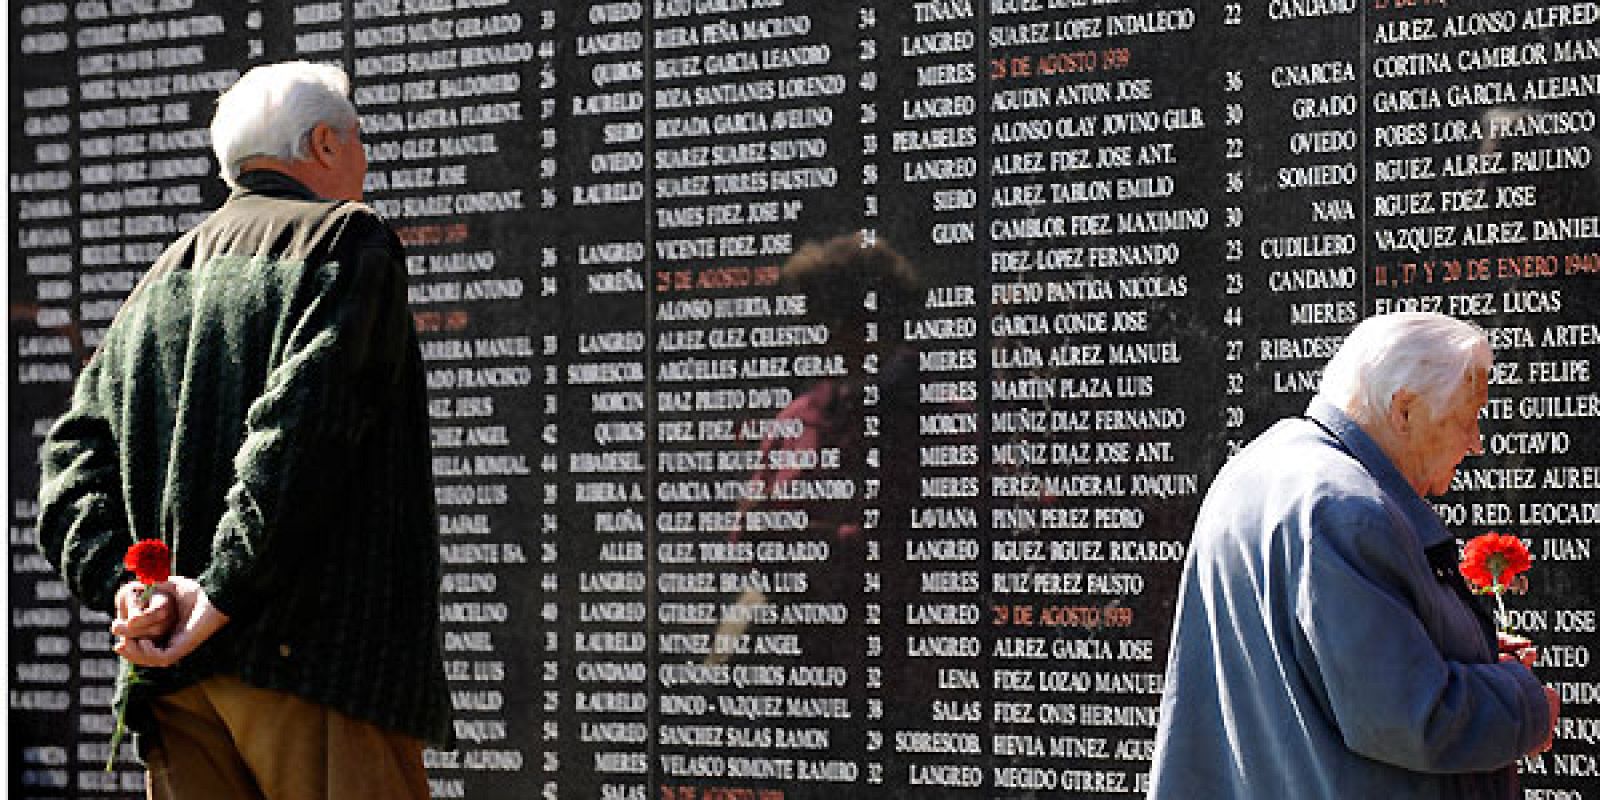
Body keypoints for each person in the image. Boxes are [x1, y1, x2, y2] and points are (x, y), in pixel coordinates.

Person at [37, 61, 449, 799]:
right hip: (315, 672)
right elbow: (300, 431)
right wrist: (220, 591)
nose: (366, 158)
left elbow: (69, 464)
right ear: (324, 143)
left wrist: (135, 595)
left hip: (176, 683)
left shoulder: (158, 279)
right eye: (358, 139)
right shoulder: (344, 240)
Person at [1149, 312, 1558, 799]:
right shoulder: (1347, 511)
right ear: (1405, 410)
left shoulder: (1253, 470)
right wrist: (1529, 705)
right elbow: (1408, 718)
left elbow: (1321, 670)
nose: (1475, 444)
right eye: (1466, 420)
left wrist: (1472, 652)